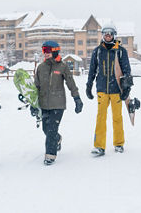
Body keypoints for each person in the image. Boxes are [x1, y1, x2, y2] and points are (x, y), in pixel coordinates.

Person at [32, 40, 83, 165]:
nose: (45, 53)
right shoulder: (41, 67)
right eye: (44, 51)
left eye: (48, 51)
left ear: (55, 51)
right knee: (46, 128)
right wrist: (32, 104)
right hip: (44, 103)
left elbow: (71, 83)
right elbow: (36, 87)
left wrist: (77, 98)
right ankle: (57, 139)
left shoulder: (62, 66)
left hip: (58, 103)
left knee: (51, 130)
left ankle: (50, 155)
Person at [86, 23, 131, 156]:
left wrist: (126, 88)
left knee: (117, 117)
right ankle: (99, 146)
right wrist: (89, 85)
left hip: (117, 89)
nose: (108, 35)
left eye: (110, 33)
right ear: (103, 35)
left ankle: (118, 143)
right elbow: (92, 70)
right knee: (101, 117)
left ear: (114, 35)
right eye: (105, 33)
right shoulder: (98, 50)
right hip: (101, 89)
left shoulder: (121, 51)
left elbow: (127, 71)